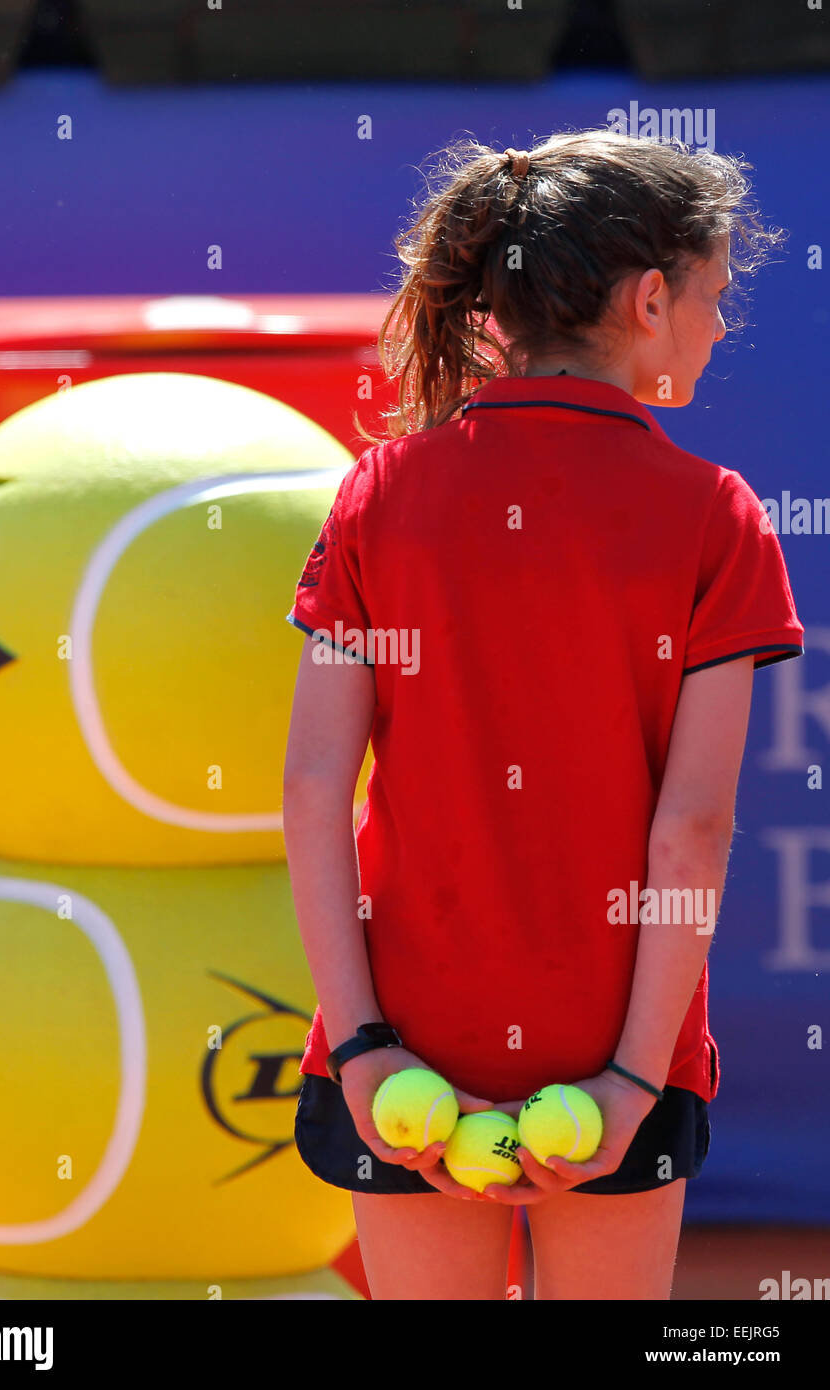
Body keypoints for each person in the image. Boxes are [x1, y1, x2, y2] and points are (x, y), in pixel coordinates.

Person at [282, 129, 805, 1301]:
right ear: (649, 297)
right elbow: (693, 835)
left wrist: (365, 1048)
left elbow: (314, 788)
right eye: (713, 298)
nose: (719, 328)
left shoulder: (380, 491)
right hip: (621, 1064)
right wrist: (629, 1081)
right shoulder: (716, 516)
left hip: (403, 1048)